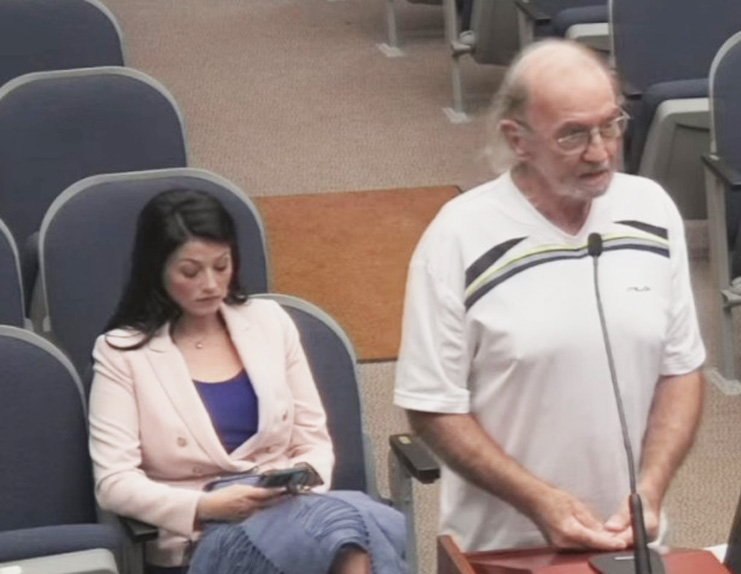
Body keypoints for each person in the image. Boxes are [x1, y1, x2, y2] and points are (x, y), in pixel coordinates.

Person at [394, 39, 706, 553]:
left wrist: (650, 490)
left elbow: (680, 369)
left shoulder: (651, 211)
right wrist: (539, 500)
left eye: (611, 125)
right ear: (517, 140)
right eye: (573, 136)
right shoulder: (458, 237)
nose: (600, 151)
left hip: (633, 544)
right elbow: (431, 407)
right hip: (504, 550)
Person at [88, 189, 405, 574]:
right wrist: (206, 507)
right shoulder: (121, 352)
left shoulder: (269, 321)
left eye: (222, 266)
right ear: (157, 270)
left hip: (292, 507)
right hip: (202, 530)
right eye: (191, 272)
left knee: (346, 534)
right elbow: (114, 482)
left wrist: (289, 488)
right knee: (354, 537)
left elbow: (313, 439)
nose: (210, 284)